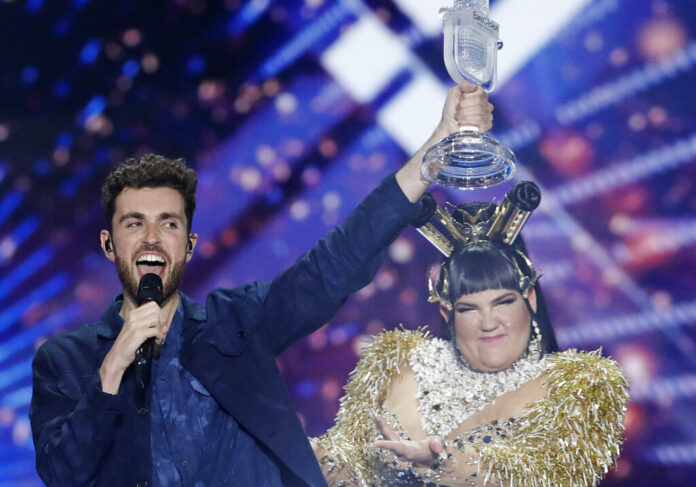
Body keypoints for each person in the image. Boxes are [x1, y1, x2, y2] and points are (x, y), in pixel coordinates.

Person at [29, 81, 492, 487]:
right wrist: (113, 369)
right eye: (135, 224)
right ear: (110, 244)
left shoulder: (236, 322)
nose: (151, 237)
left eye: (167, 224)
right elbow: (63, 474)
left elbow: (330, 267)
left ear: (188, 246)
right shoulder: (64, 362)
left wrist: (433, 154)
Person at [312, 189, 629, 486]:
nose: (488, 322)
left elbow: (541, 474)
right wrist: (288, 451)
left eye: (503, 302)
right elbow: (345, 465)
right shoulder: (397, 363)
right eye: (469, 309)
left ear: (530, 298)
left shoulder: (579, 386)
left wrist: (439, 462)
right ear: (448, 315)